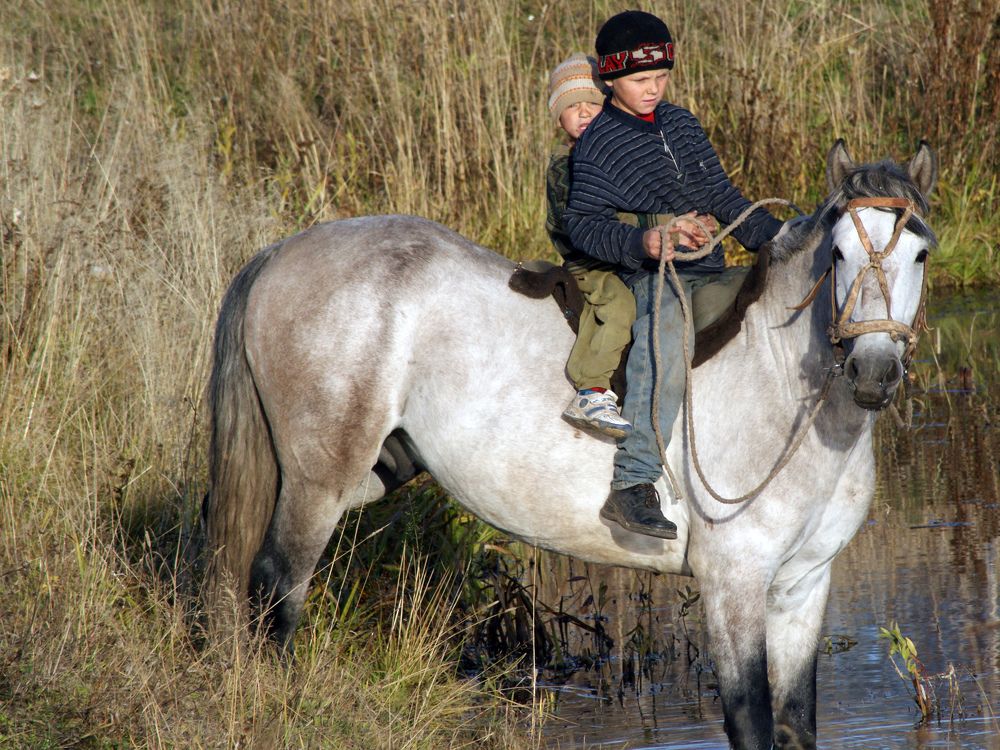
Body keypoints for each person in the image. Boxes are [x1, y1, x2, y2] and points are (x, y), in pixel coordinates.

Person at [564, 10, 783, 540]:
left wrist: (786, 240)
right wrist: (647, 240)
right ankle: (633, 484)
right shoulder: (599, 144)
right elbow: (580, 227)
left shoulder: (682, 123)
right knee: (665, 332)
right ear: (610, 78)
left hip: (711, 269)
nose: (653, 89)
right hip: (648, 278)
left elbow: (724, 198)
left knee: (781, 298)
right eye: (640, 80)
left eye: (661, 77)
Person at [545, 53, 636, 439]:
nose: (583, 112)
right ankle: (591, 389)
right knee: (618, 305)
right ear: (559, 116)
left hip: (623, 251)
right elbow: (581, 223)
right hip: (590, 259)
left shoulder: (619, 151)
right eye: (572, 107)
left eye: (592, 104)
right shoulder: (567, 163)